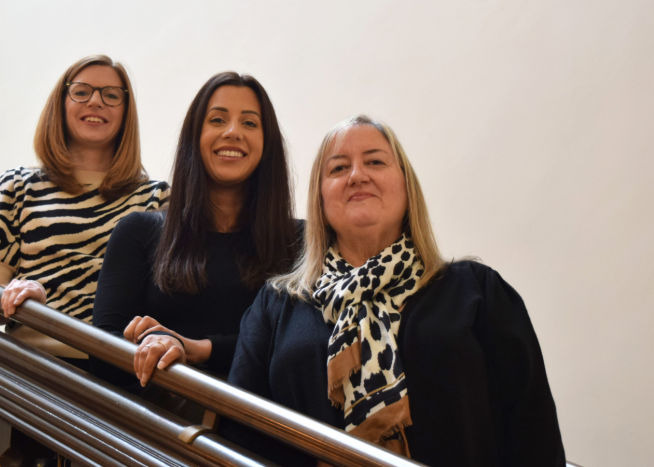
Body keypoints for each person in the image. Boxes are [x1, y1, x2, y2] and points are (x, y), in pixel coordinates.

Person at [222, 115, 565, 467]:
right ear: (320, 199)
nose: (358, 175)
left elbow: (532, 428)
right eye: (339, 168)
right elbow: (240, 432)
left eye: (375, 161)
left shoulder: (478, 292)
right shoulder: (276, 305)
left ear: (406, 186)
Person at [92, 72, 300, 395]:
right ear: (195, 135)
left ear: (267, 143)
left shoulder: (299, 241)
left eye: (249, 123)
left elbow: (295, 352)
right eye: (217, 120)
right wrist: (151, 345)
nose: (232, 133)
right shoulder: (138, 231)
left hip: (259, 436)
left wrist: (197, 349)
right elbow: (104, 354)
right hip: (152, 431)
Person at [0, 55, 169, 371]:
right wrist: (24, 297)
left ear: (126, 112)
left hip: (122, 374)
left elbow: (170, 305)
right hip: (34, 368)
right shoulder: (16, 186)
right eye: (82, 91)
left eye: (111, 95)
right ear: (61, 103)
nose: (96, 102)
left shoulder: (158, 198)